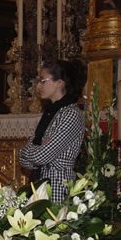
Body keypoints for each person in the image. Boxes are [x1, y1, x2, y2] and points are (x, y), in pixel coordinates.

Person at [19, 60, 85, 202]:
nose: (38, 86)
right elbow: (23, 158)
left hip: (57, 186)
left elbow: (41, 156)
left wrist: (31, 151)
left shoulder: (70, 114)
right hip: (41, 182)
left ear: (59, 83)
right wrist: (30, 151)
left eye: (43, 81)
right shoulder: (52, 113)